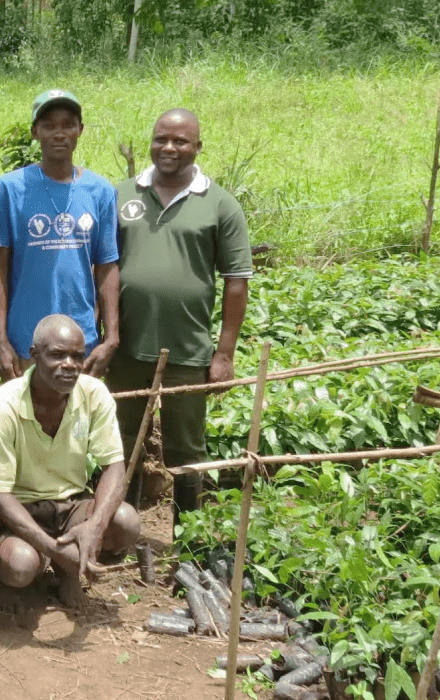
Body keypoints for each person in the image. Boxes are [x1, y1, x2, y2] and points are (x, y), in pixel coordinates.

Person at [109, 108, 252, 524]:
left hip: (188, 351)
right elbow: (103, 268)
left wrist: (223, 355)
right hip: (127, 347)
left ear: (197, 147)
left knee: (187, 449)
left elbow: (236, 283)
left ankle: (189, 540)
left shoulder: (220, 204)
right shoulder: (121, 196)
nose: (168, 148)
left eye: (180, 141)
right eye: (161, 139)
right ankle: (121, 530)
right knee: (121, 442)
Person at [0, 315, 140, 611]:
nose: (69, 364)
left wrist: (94, 526)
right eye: (57, 355)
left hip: (72, 506)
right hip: (22, 510)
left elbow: (114, 467)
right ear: (34, 355)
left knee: (125, 522)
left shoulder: (94, 394)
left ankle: (68, 570)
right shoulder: (6, 403)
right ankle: (12, 573)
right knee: (19, 566)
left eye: (77, 356)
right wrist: (54, 549)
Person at [0, 89, 120, 382]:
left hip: (80, 341)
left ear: (80, 130)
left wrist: (111, 338)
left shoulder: (101, 191)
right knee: (27, 420)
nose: (59, 133)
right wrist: (0, 339)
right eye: (49, 125)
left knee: (76, 423)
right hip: (25, 341)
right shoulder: (10, 188)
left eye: (68, 124)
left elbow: (107, 266)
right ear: (35, 132)